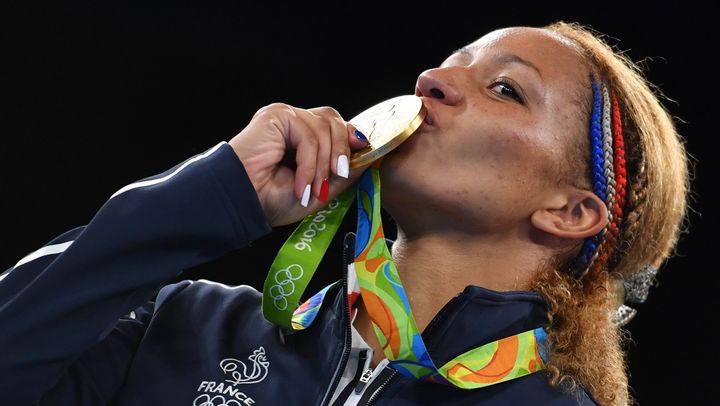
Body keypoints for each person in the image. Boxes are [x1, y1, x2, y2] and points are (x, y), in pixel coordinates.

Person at [0, 21, 689, 406]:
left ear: (569, 212)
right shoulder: (184, 327)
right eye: (449, 65)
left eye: (505, 89)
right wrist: (213, 195)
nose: (431, 83)